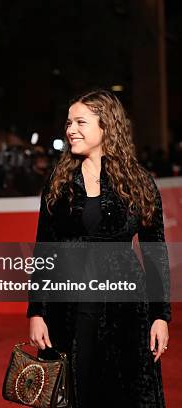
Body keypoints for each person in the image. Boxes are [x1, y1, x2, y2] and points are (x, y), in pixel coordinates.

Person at [28, 90, 170, 407]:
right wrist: (37, 311)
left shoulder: (139, 181)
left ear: (106, 126)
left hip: (126, 313)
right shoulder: (59, 181)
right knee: (71, 393)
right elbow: (44, 250)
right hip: (67, 311)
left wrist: (160, 315)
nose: (70, 130)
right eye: (68, 122)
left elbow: (154, 252)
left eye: (80, 122)